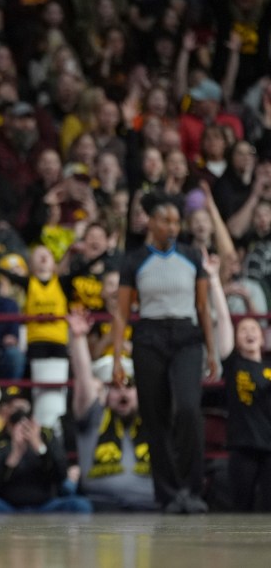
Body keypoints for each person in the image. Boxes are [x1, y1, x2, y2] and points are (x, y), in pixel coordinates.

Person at [109, 192, 217, 514]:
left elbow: (202, 306)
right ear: (151, 222)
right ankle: (169, 495)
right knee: (155, 418)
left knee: (187, 409)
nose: (172, 226)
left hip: (186, 335)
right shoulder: (133, 260)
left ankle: (192, 489)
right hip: (149, 336)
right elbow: (121, 313)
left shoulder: (191, 256)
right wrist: (117, 359)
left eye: (175, 220)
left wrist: (212, 352)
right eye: (165, 220)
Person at [68, 311, 157, 511]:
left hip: (150, 508)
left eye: (129, 386)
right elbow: (83, 381)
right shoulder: (94, 416)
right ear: (106, 394)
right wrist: (79, 338)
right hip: (101, 508)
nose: (122, 392)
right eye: (115, 388)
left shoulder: (153, 417)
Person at [211, 254, 271, 512]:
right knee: (241, 509)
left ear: (262, 338)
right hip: (243, 447)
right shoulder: (234, 363)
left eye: (253, 330)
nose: (248, 333)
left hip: (270, 450)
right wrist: (214, 278)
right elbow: (224, 321)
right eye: (243, 330)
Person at [0, 390, 92, 514]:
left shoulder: (47, 435)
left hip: (45, 505)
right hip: (8, 507)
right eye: (14, 409)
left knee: (80, 505)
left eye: (24, 409)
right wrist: (13, 457)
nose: (20, 415)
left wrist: (40, 448)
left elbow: (61, 476)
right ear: (3, 412)